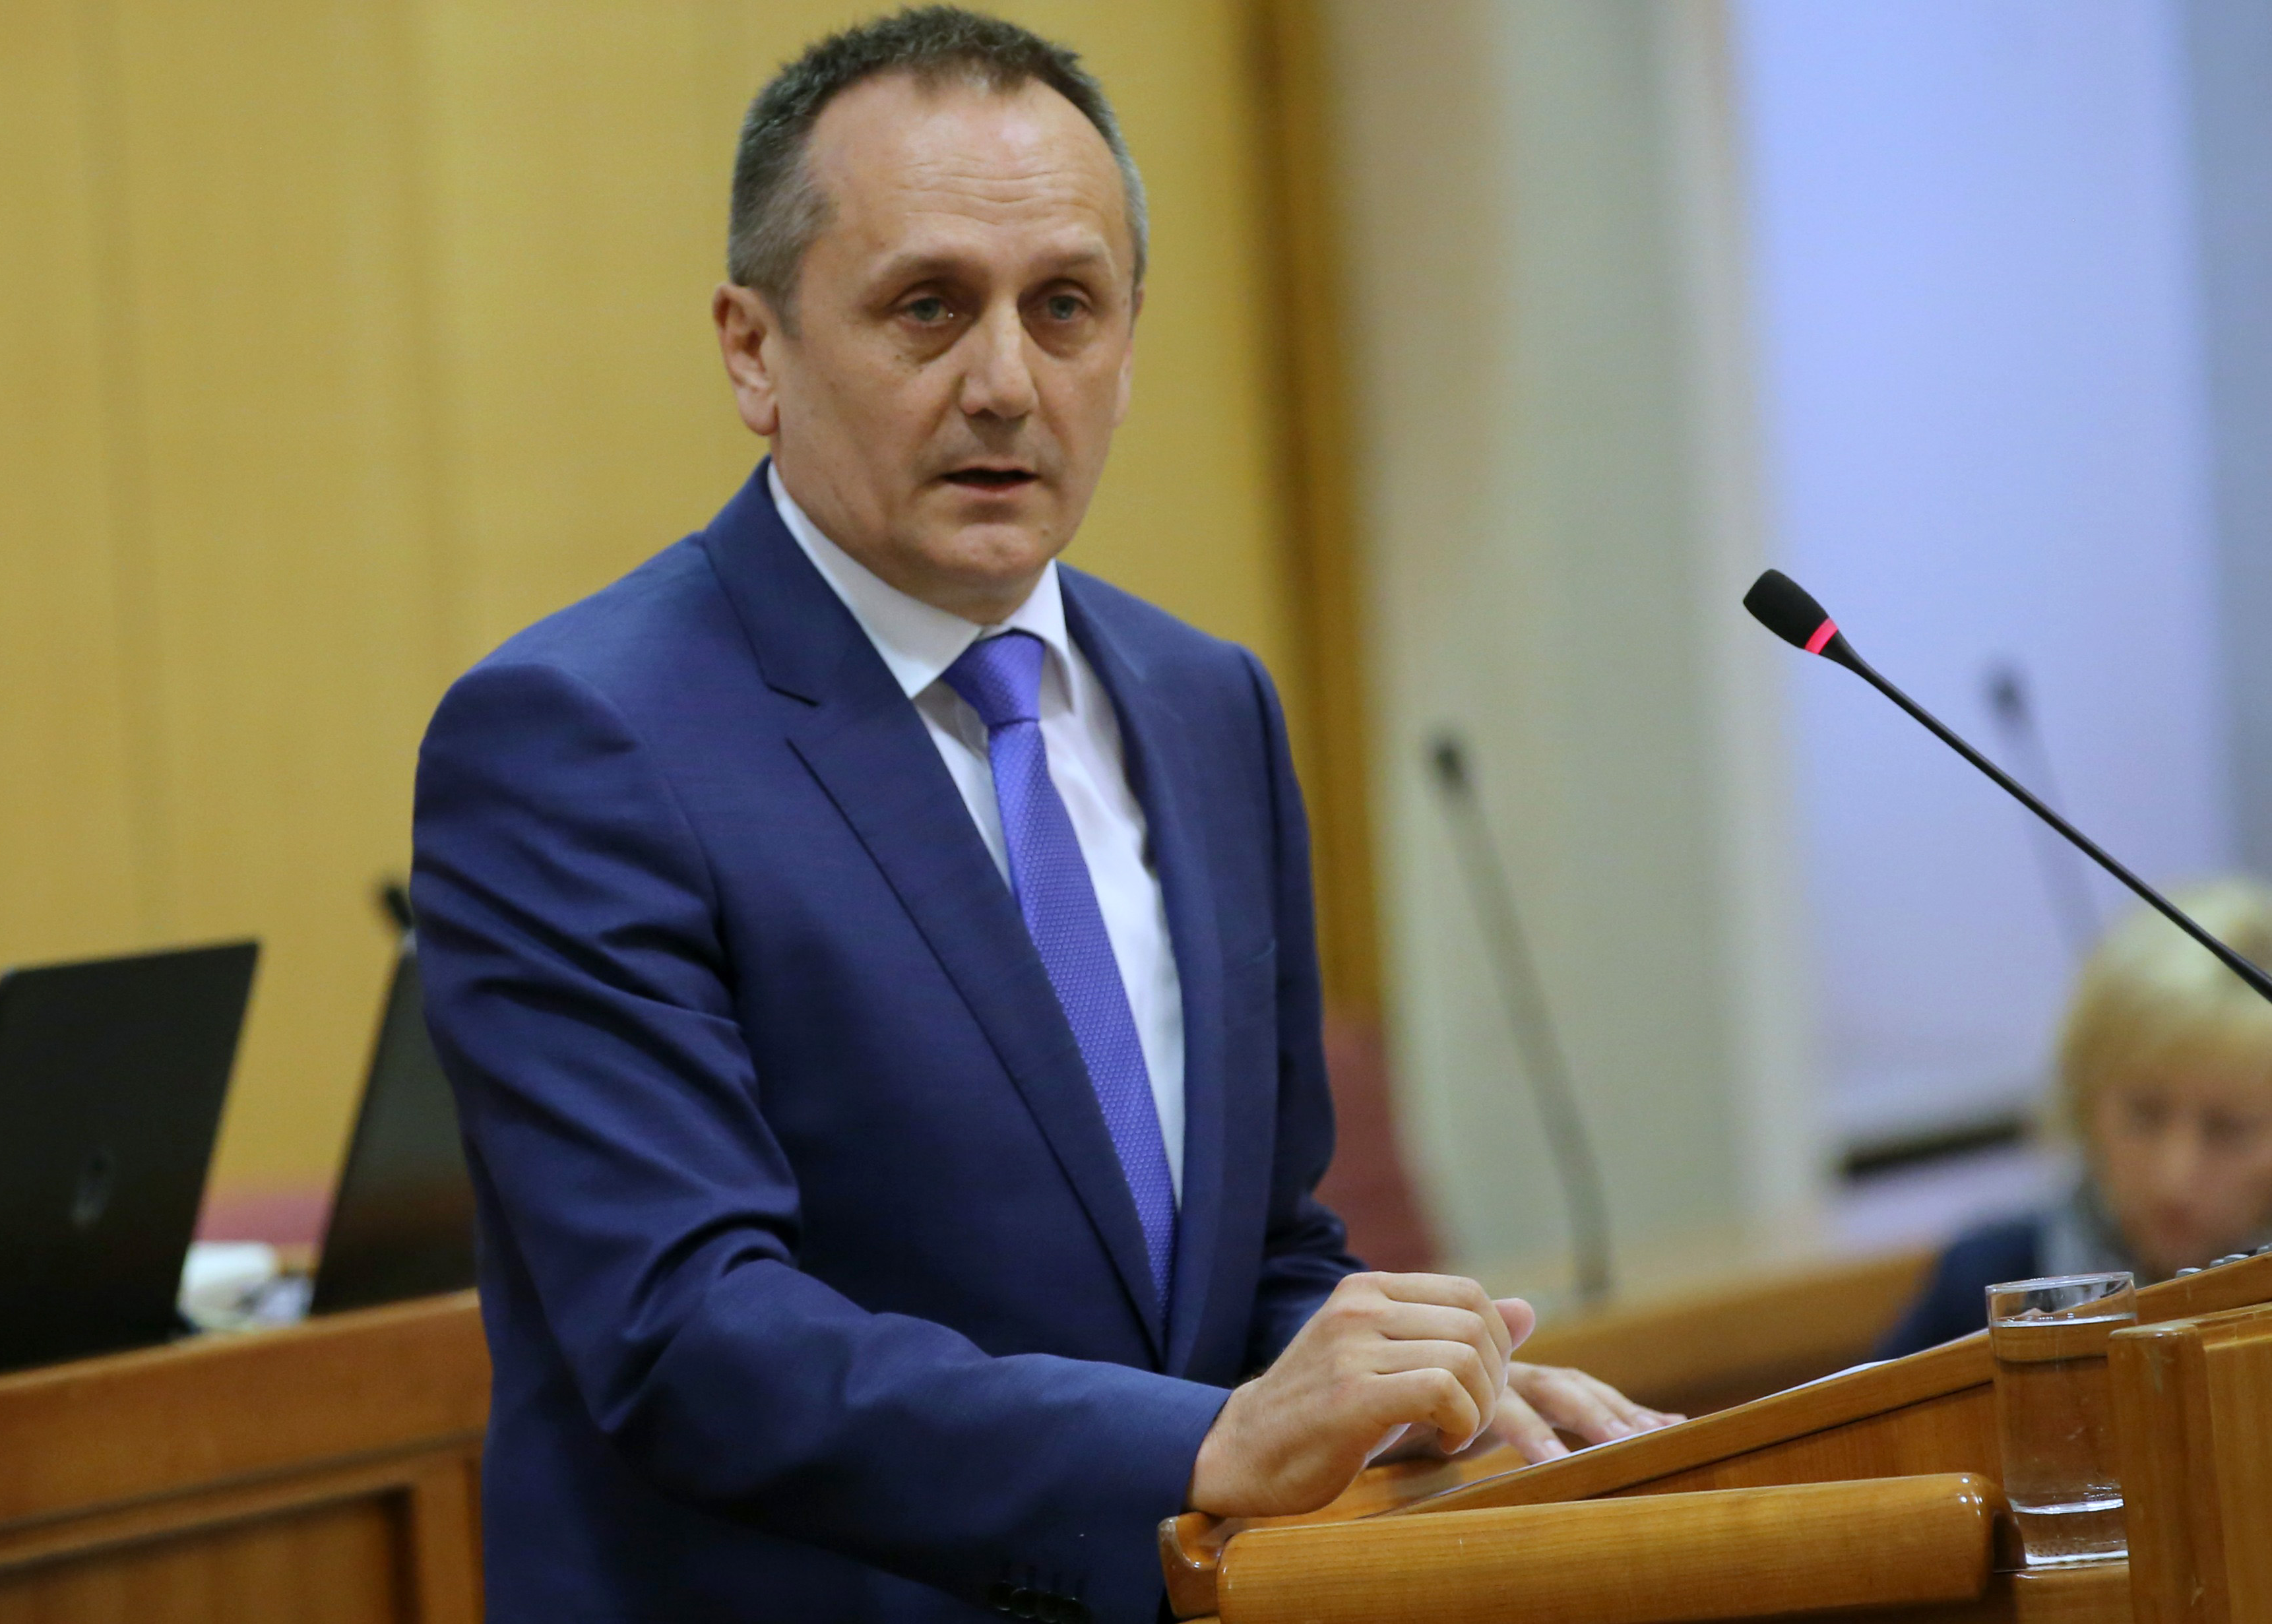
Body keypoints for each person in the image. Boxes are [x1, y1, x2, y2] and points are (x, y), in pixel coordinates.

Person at [412, 10, 1674, 1621]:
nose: (1005, 383)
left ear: (1127, 346)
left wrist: (1422, 1383)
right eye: (927, 307)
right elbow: (687, 1332)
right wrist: (1196, 1442)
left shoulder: (1207, 704)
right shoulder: (577, 738)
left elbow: (1249, 1255)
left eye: (1064, 305)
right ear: (752, 349)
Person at [1876, 879, 2272, 1358]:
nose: (2174, 1175)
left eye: (2229, 1128)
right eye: (2143, 1115)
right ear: (2084, 1100)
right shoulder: (1983, 1280)